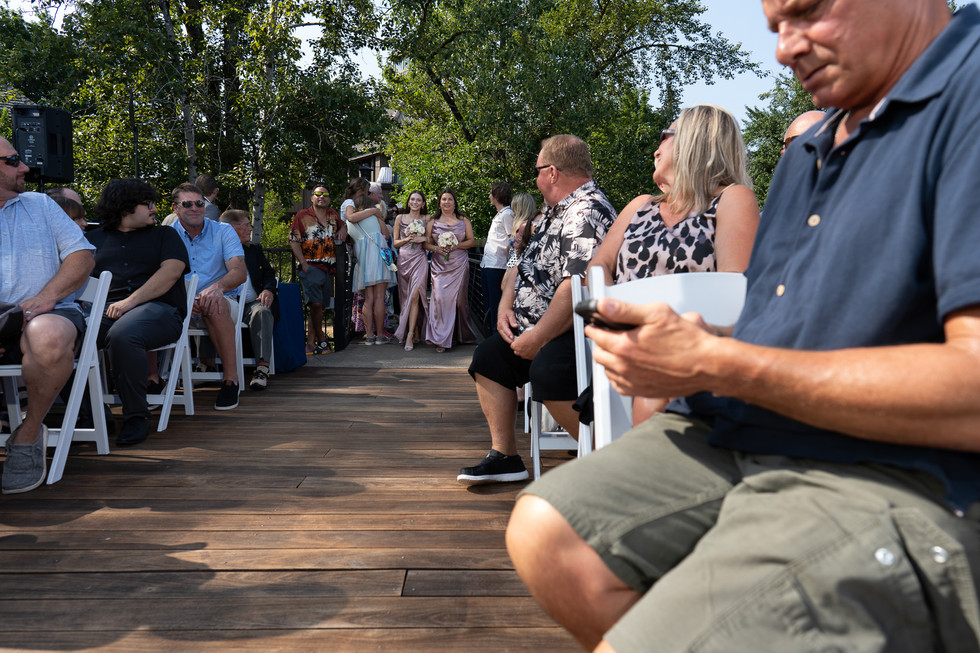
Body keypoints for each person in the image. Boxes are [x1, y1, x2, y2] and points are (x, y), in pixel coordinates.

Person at [506, 1, 980, 651]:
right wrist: (679, 349)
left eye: (807, 12)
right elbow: (781, 328)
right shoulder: (814, 144)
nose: (785, 49)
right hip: (755, 428)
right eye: (774, 27)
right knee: (544, 532)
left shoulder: (968, 93)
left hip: (895, 469)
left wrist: (712, 362)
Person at [587, 104, 759, 425]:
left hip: (691, 348)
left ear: (695, 140)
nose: (655, 149)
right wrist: (611, 304)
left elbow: (732, 292)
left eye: (664, 135)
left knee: (655, 384)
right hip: (625, 339)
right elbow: (598, 266)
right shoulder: (639, 206)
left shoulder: (732, 199)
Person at [459, 135, 616, 485]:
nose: (535, 178)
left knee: (548, 372)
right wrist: (503, 307)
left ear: (553, 172)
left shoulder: (586, 210)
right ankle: (506, 457)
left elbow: (577, 284)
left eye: (537, 170)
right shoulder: (553, 212)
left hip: (573, 328)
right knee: (488, 358)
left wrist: (538, 336)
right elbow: (520, 262)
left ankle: (610, 457)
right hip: (535, 324)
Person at [0, 137, 95, 494]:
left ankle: (28, 431)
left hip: (50, 313)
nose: (24, 167)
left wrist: (45, 298)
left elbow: (82, 256)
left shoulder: (40, 205)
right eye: (12, 161)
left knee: (48, 336)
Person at [87, 179, 189, 445]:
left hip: (160, 312)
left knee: (124, 333)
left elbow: (171, 273)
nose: (155, 209)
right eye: (148, 204)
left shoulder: (165, 235)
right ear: (125, 207)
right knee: (67, 338)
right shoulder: (91, 240)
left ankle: (135, 417)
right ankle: (91, 413)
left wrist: (129, 303)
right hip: (104, 312)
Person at [169, 183, 245, 410]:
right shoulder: (167, 234)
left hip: (220, 299)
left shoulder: (223, 231)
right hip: (180, 302)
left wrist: (217, 287)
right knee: (146, 311)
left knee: (214, 303)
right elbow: (157, 275)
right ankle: (153, 381)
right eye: (187, 204)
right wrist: (182, 297)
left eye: (199, 203)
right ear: (175, 208)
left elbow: (239, 272)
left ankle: (230, 380)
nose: (195, 208)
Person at [220, 210, 278, 390]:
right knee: (211, 307)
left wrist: (268, 289)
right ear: (231, 229)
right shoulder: (216, 250)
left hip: (250, 304)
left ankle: (262, 369)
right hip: (225, 302)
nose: (250, 228)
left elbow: (269, 273)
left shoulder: (253, 250)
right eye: (246, 225)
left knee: (262, 310)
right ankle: (205, 364)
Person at [341, 177, 394, 345]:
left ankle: (369, 336)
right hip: (378, 256)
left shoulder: (352, 218)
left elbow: (349, 223)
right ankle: (379, 336)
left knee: (368, 299)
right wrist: (376, 214)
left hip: (363, 257)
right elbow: (386, 235)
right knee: (379, 298)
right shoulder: (372, 214)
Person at [424, 187, 476, 353]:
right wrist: (436, 249)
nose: (446, 202)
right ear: (439, 202)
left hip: (459, 264)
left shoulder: (463, 220)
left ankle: (459, 335)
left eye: (450, 199)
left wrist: (456, 245)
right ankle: (440, 338)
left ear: (455, 202)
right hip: (439, 265)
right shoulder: (433, 221)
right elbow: (426, 244)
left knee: (459, 301)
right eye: (444, 199)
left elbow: (471, 242)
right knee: (439, 298)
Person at [289, 185, 339, 355]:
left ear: (329, 199)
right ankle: (323, 341)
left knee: (318, 307)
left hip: (328, 268)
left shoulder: (333, 214)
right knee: (316, 303)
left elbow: (343, 225)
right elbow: (293, 240)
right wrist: (303, 263)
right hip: (310, 266)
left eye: (325, 194)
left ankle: (310, 344)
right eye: (318, 194)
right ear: (312, 198)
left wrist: (344, 231)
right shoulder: (302, 215)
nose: (321, 197)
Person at [392, 191, 430, 351]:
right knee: (405, 298)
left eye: (418, 200)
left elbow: (432, 239)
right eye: (412, 199)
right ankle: (413, 330)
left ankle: (409, 334)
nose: (415, 202)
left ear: (423, 204)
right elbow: (395, 243)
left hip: (420, 260)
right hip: (404, 260)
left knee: (415, 296)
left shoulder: (427, 219)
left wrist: (424, 239)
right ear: (408, 202)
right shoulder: (399, 218)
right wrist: (407, 239)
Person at [481, 182, 514, 331]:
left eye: (491, 193)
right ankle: (491, 336)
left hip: (498, 265)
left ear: (497, 195)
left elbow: (512, 239)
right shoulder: (500, 214)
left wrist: (510, 266)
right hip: (488, 264)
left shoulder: (507, 214)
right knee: (489, 304)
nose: (489, 196)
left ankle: (496, 336)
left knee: (496, 305)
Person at [505, 192, 537, 269]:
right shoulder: (533, 224)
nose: (513, 212)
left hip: (515, 262)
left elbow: (515, 248)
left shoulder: (519, 225)